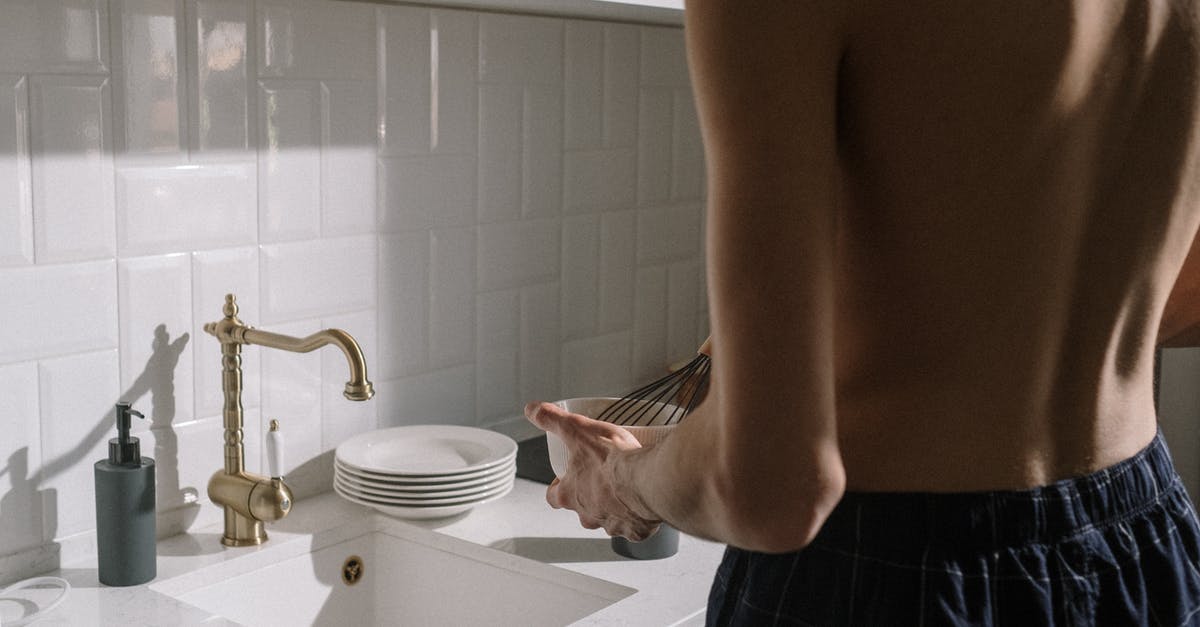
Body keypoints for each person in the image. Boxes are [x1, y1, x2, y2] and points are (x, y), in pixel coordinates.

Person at [526, 1, 1200, 624]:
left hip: (888, 575)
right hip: (1144, 546)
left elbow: (769, 488)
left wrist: (626, 478)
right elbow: (1184, 299)